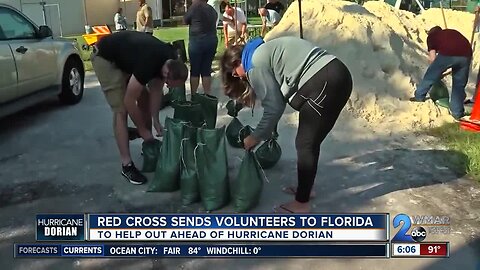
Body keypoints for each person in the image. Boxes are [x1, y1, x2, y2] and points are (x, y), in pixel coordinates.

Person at [220, 36, 353, 213]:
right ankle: (304, 190)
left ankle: (302, 204)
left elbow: (274, 107)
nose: (237, 76)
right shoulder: (262, 52)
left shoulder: (254, 64)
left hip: (324, 81)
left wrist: (255, 137)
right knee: (310, 142)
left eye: (235, 73)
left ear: (237, 61)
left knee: (305, 143)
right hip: (336, 75)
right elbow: (277, 100)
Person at [91, 31, 188, 185]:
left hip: (126, 59)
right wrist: (143, 129)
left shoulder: (170, 59)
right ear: (166, 73)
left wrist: (156, 121)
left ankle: (146, 144)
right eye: (169, 84)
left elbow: (156, 91)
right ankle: (127, 165)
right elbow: (130, 101)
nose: (169, 86)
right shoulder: (149, 63)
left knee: (145, 97)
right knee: (121, 110)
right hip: (105, 58)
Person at [410, 26, 472, 120]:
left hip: (449, 52)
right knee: (459, 85)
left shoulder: (431, 37)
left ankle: (419, 96)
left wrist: (437, 72)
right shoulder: (450, 32)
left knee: (430, 75)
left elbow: (432, 59)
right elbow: (457, 61)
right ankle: (457, 112)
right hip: (467, 53)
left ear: (430, 33)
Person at [184, 0, 218, 95]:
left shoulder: (194, 7)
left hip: (197, 41)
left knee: (195, 69)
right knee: (206, 69)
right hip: (211, 40)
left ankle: (194, 95)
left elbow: (185, 20)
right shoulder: (211, 9)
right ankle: (207, 94)